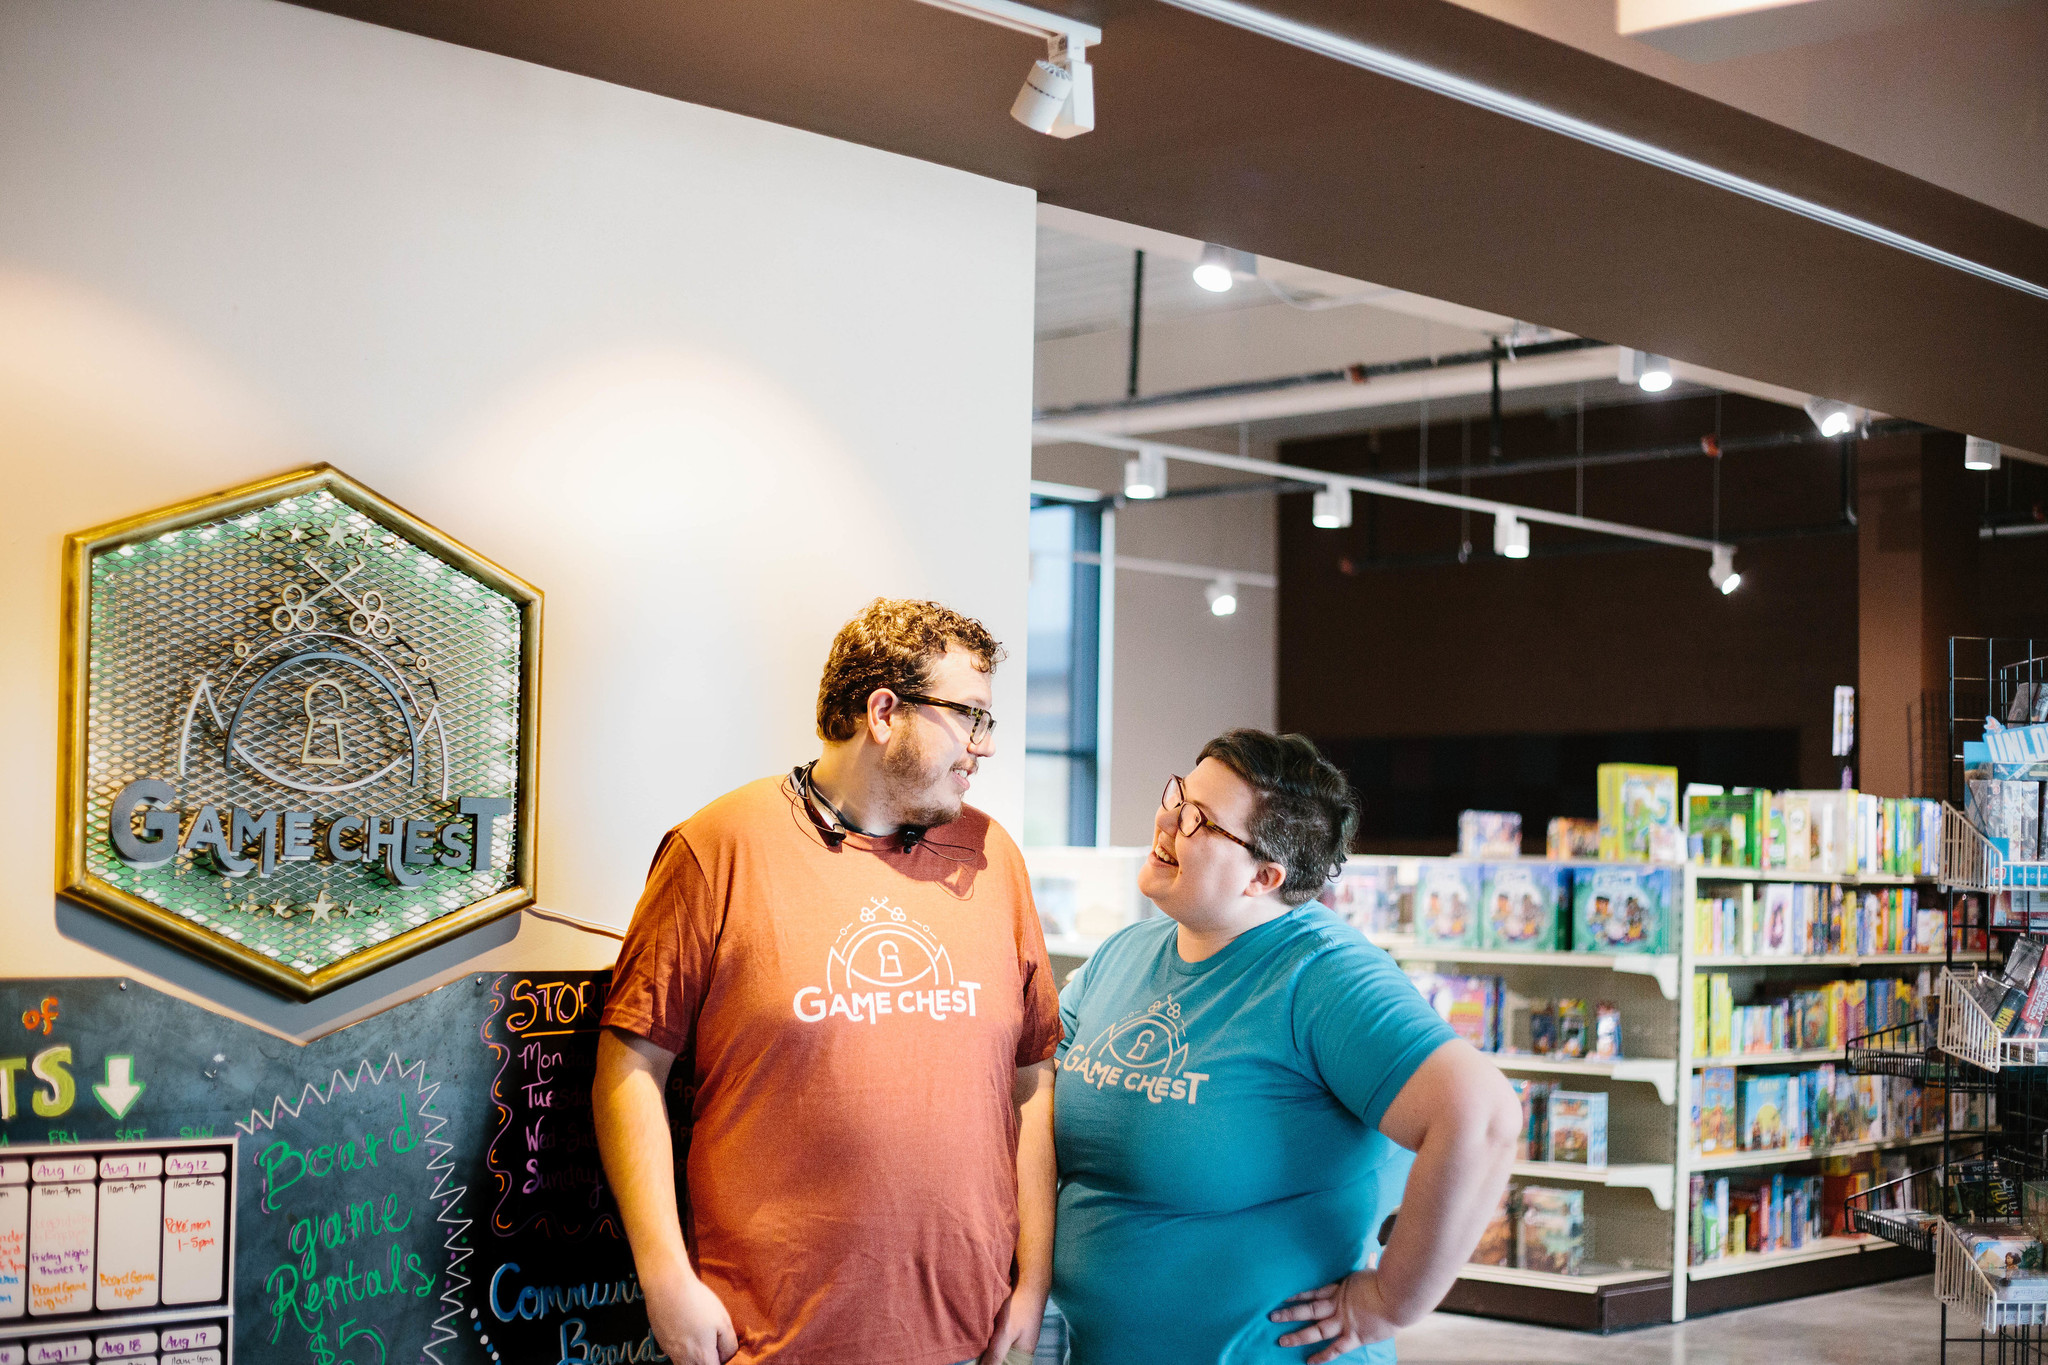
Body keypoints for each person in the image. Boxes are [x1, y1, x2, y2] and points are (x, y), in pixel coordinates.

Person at [593, 599, 1061, 1365]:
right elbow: (631, 1064)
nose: (985, 746)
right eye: (970, 717)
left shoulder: (992, 855)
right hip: (763, 1337)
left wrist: (1032, 1279)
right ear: (884, 710)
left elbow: (1033, 1076)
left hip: (969, 1337)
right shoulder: (718, 847)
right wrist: (663, 1271)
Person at [1051, 730, 1521, 1364]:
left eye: (1200, 820)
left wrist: (1388, 1302)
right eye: (1178, 795)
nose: (1168, 819)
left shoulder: (1322, 974)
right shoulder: (1121, 957)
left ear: (1264, 875)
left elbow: (1483, 1118)